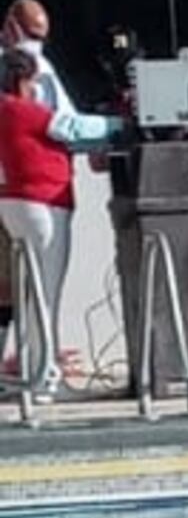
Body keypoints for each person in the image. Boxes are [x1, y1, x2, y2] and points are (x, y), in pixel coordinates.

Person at [0, 40, 121, 398]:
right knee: (46, 293)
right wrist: (120, 122)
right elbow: (72, 129)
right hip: (43, 202)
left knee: (31, 290)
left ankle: (35, 371)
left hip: (13, 202)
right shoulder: (23, 110)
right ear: (24, 79)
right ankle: (46, 378)